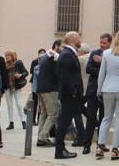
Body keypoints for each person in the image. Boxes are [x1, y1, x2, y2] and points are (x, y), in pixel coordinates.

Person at [96, 29, 119, 160]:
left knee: (106, 118)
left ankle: (100, 146)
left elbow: (102, 74)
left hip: (108, 88)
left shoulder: (106, 54)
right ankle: (116, 149)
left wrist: (99, 90)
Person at [54, 31, 83, 159]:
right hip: (69, 95)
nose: (80, 40)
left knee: (64, 122)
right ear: (73, 39)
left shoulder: (68, 53)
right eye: (79, 37)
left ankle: (61, 149)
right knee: (63, 123)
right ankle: (59, 150)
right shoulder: (67, 54)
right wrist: (73, 92)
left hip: (70, 95)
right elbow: (65, 76)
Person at [82, 33, 112, 154]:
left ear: (110, 42)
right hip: (93, 90)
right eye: (101, 42)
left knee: (103, 119)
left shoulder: (112, 54)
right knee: (90, 117)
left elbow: (112, 71)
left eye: (104, 43)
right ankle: (86, 144)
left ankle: (100, 144)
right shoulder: (94, 53)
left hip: (106, 90)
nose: (102, 45)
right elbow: (88, 69)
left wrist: (102, 62)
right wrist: (102, 68)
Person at [35, 41, 61, 147]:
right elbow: (58, 75)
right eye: (62, 48)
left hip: (41, 89)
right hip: (50, 90)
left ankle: (40, 136)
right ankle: (43, 137)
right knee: (53, 114)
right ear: (56, 47)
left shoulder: (46, 57)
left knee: (44, 114)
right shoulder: (53, 59)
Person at [4, 50, 28, 130]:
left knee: (19, 104)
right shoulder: (5, 65)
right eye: (6, 55)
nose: (6, 57)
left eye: (8, 55)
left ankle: (23, 122)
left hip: (16, 86)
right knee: (9, 105)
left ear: (12, 56)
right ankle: (11, 123)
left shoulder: (18, 63)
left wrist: (20, 75)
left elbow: (26, 73)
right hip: (7, 87)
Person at [29, 47, 46, 125]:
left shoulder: (46, 62)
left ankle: (39, 119)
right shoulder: (35, 62)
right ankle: (33, 120)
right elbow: (31, 71)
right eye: (41, 53)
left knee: (41, 104)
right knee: (35, 103)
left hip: (42, 85)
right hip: (35, 84)